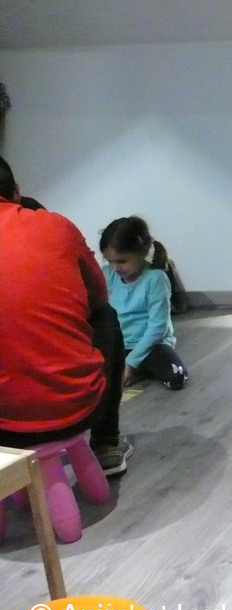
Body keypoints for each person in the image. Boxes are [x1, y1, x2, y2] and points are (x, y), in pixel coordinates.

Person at [0, 156, 131, 476]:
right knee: (105, 316)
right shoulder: (55, 225)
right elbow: (98, 297)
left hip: (4, 424)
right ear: (17, 192)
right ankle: (105, 443)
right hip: (75, 409)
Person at [99, 216, 190, 391]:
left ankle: (137, 368)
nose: (115, 267)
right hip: (119, 345)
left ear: (142, 251)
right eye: (110, 261)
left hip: (152, 345)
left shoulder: (156, 279)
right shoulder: (107, 274)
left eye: (122, 261)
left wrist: (131, 362)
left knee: (177, 376)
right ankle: (138, 370)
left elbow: (158, 327)